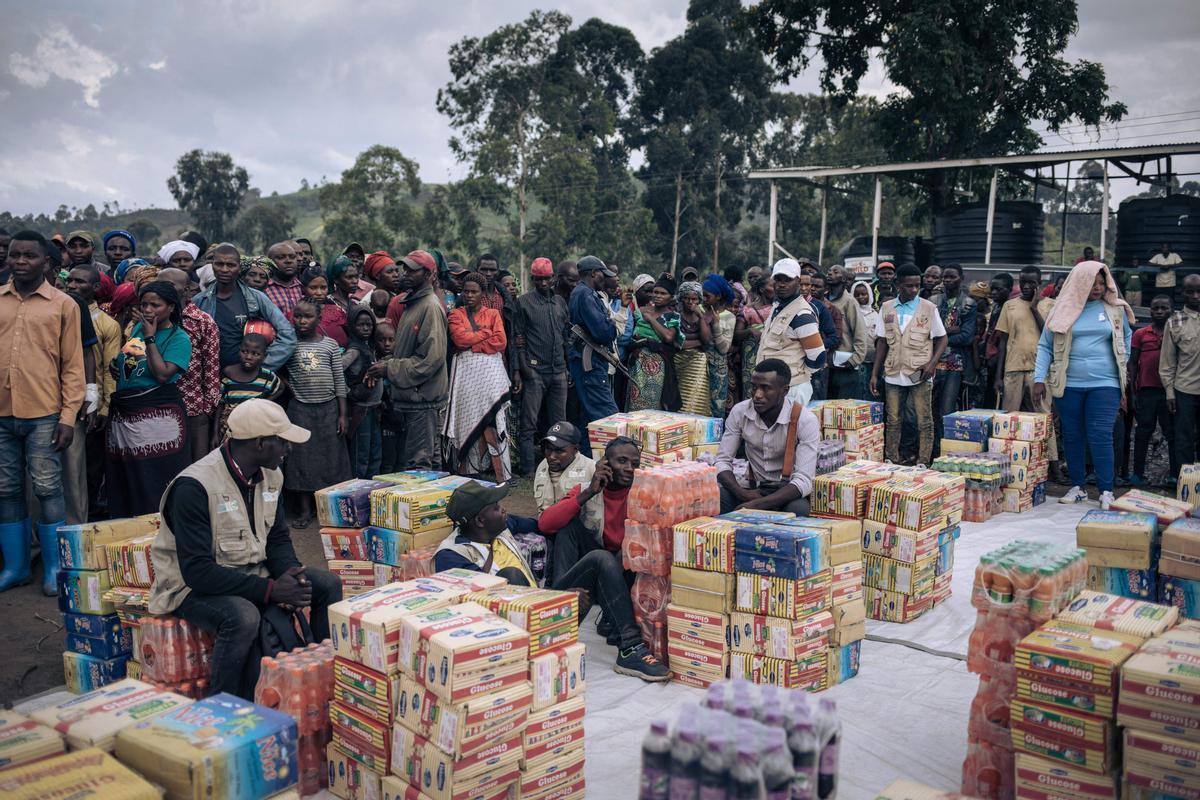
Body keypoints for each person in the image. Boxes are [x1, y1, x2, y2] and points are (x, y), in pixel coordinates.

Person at [149, 399, 341, 698]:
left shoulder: (272, 475)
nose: (289, 449)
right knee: (243, 617)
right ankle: (225, 700)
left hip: (253, 571)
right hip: (192, 588)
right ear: (261, 443)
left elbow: (276, 538)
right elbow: (198, 572)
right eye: (283, 442)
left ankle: (323, 675)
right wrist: (270, 591)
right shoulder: (194, 487)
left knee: (326, 584)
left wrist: (292, 574)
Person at [435, 476, 668, 681]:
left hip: (541, 609)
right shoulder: (451, 556)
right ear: (479, 520)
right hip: (506, 636)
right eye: (496, 507)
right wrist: (559, 604)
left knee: (600, 558)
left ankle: (630, 647)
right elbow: (482, 607)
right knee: (510, 576)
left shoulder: (500, 527)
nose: (504, 510)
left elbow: (545, 524)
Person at [0, 232, 84, 594]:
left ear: (46, 262)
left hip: (44, 413)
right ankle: (17, 567)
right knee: (6, 490)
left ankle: (53, 570)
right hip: (2, 415)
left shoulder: (64, 305)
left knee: (49, 489)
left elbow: (73, 366)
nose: (20, 261)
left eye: (29, 256)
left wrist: (68, 417)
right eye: (15, 255)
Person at [1034, 261, 1133, 509]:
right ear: (1080, 283)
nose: (1098, 288)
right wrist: (1038, 378)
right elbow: (1045, 346)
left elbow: (1127, 336)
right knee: (1073, 435)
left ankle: (1106, 491)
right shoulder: (1061, 310)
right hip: (1068, 384)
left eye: (1101, 283)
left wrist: (1123, 359)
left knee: (1100, 435)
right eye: (1092, 283)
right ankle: (1077, 487)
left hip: (1105, 384)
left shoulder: (1114, 310)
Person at [106, 280, 194, 517]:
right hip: (128, 414)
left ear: (171, 308)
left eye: (155, 305)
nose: (147, 310)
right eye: (144, 304)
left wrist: (151, 338)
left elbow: (163, 374)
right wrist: (118, 365)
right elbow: (132, 363)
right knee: (130, 476)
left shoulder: (179, 338)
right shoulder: (137, 330)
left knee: (154, 477)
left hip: (156, 416)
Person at [367, 250, 448, 471]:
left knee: (420, 462)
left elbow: (431, 359)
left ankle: (429, 506)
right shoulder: (412, 303)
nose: (406, 273)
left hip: (423, 398)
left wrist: (390, 368)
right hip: (415, 397)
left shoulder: (429, 307)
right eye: (406, 268)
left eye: (414, 270)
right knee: (425, 458)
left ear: (429, 274)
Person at [716, 359, 820, 515]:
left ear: (784, 391)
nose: (757, 395)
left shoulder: (805, 420)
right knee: (716, 497)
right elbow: (722, 462)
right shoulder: (740, 412)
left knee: (798, 509)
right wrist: (741, 494)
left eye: (766, 388)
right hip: (752, 489)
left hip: (785, 492)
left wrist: (759, 504)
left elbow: (804, 480)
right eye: (754, 387)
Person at [282, 297, 350, 528]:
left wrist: (342, 414)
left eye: (308, 316)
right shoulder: (288, 344)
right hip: (300, 409)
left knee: (332, 459)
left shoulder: (329, 345)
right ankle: (303, 510)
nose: (302, 321)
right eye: (298, 316)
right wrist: (285, 384)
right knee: (301, 459)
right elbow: (273, 367)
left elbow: (339, 381)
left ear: (318, 319)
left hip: (328, 408)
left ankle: (330, 510)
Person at [872, 263, 948, 466]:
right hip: (893, 372)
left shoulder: (928, 308)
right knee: (893, 420)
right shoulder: (887, 308)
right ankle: (891, 458)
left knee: (924, 420)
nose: (914, 290)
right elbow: (881, 341)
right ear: (898, 284)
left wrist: (932, 364)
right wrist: (874, 373)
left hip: (919, 372)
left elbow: (942, 339)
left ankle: (924, 460)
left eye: (917, 285)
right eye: (909, 286)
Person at [445, 272, 512, 480]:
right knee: (467, 422)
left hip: (490, 379)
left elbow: (501, 342)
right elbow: (460, 339)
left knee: (492, 422)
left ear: (482, 293)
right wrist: (485, 333)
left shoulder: (492, 314)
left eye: (474, 291)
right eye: (466, 291)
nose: (469, 295)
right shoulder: (456, 314)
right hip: (466, 378)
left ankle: (501, 475)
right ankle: (467, 473)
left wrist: (473, 343)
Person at [65, 265, 121, 515]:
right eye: (71, 281)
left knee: (85, 473)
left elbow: (109, 369)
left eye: (80, 282)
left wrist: (104, 407)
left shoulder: (107, 324)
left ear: (96, 288)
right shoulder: (61, 311)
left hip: (90, 405)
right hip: (61, 400)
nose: (72, 286)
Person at [193, 244, 296, 371]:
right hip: (211, 376)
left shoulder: (256, 298)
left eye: (231, 265)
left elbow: (288, 335)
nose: (224, 269)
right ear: (212, 265)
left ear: (239, 267)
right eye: (219, 264)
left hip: (245, 382)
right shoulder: (199, 301)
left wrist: (259, 368)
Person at [514, 257, 570, 473]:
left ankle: (558, 467)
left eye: (546, 279)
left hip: (558, 371)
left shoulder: (559, 303)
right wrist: (524, 368)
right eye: (538, 280)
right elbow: (518, 337)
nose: (543, 284)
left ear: (553, 278)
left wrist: (566, 367)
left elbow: (564, 336)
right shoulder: (524, 302)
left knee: (559, 424)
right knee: (528, 423)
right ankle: (528, 468)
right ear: (533, 279)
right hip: (535, 371)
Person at [160, 267, 221, 464]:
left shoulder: (202, 321)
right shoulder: (150, 321)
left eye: (169, 286)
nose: (163, 290)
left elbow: (211, 369)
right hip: (157, 406)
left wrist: (207, 411)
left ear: (186, 290)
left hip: (194, 408)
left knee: (195, 468)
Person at [568, 256, 620, 456]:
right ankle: (614, 460)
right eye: (602, 275)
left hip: (585, 361)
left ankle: (589, 461)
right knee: (608, 416)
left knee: (589, 418)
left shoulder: (580, 293)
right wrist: (612, 325)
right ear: (593, 274)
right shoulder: (586, 295)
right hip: (589, 363)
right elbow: (603, 332)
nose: (604, 279)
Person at [755, 258, 826, 406]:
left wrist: (797, 373)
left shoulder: (802, 314)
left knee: (789, 429)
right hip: (772, 388)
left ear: (798, 282)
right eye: (778, 279)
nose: (781, 284)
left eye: (787, 279)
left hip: (791, 389)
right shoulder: (778, 306)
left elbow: (818, 357)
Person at [1129, 295, 1175, 485]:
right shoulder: (1141, 334)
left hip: (1169, 392)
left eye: (1164, 308)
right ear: (1150, 311)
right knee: (1143, 433)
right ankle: (1138, 474)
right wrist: (1132, 392)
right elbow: (1132, 364)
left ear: (1171, 311)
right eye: (1156, 308)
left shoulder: (1175, 332)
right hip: (1146, 391)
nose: (1159, 312)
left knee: (1171, 433)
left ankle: (1174, 474)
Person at [930, 264, 977, 436]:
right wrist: (948, 330)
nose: (947, 280)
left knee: (946, 410)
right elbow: (928, 331)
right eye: (945, 277)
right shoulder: (933, 301)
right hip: (931, 362)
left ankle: (943, 449)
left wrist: (939, 337)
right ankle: (931, 450)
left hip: (954, 365)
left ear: (961, 278)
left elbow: (966, 337)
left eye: (952, 277)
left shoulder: (969, 304)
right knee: (928, 410)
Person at [214, 333, 284, 446]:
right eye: (244, 351)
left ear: (264, 356)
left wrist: (263, 403)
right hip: (229, 429)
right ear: (239, 350)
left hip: (255, 430)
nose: (249, 357)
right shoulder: (228, 374)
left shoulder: (267, 377)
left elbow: (280, 388)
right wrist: (215, 434)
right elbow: (220, 404)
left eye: (255, 354)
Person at [1162, 273, 1200, 478]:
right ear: (1182, 293)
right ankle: (1185, 487)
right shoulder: (1174, 322)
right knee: (1183, 440)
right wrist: (1169, 392)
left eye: (1199, 291)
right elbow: (1167, 362)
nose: (1195, 296)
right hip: (1185, 390)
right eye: (1190, 292)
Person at [627, 276, 683, 412]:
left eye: (663, 293)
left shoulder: (673, 316)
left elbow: (669, 337)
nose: (657, 296)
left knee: (654, 402)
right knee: (635, 401)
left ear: (671, 297)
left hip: (658, 365)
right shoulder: (641, 311)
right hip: (638, 361)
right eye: (655, 292)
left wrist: (651, 319)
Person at [342, 308, 384, 480]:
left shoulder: (369, 347)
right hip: (361, 411)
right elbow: (337, 369)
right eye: (360, 325)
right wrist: (348, 392)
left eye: (369, 325)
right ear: (353, 327)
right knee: (361, 455)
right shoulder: (355, 350)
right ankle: (357, 493)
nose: (365, 328)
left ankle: (371, 491)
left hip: (373, 408)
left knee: (375, 453)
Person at [823, 266, 872, 400]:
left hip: (844, 365)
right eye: (829, 271)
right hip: (826, 365)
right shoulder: (823, 299)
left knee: (843, 409)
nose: (830, 273)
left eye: (835, 272)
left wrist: (854, 360)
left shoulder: (849, 301)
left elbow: (860, 333)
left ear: (844, 279)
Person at [735, 273, 774, 402]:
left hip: (772, 354)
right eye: (772, 286)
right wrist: (750, 330)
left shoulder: (779, 309)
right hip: (751, 357)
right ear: (762, 289)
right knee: (750, 387)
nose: (776, 288)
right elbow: (737, 334)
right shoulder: (747, 310)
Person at [674, 281, 711, 415]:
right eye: (687, 298)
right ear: (681, 298)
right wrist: (698, 343)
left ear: (699, 300)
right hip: (678, 361)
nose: (690, 302)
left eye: (694, 299)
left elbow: (706, 340)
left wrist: (701, 317)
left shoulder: (702, 316)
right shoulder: (675, 316)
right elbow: (678, 344)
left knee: (696, 398)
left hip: (697, 362)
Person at [803, 273, 840, 402]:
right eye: (800, 284)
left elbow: (834, 338)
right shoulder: (781, 305)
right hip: (792, 364)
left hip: (815, 365)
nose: (805, 288)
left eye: (807, 285)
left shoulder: (820, 307)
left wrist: (812, 344)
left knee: (815, 404)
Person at [296, 266, 348, 347]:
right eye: (313, 288)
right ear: (303, 288)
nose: (319, 293)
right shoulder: (296, 314)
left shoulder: (338, 311)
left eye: (323, 288)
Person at [264, 242, 304, 317]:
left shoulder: (303, 287)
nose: (288, 261)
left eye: (292, 257)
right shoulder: (263, 288)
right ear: (269, 262)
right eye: (281, 257)